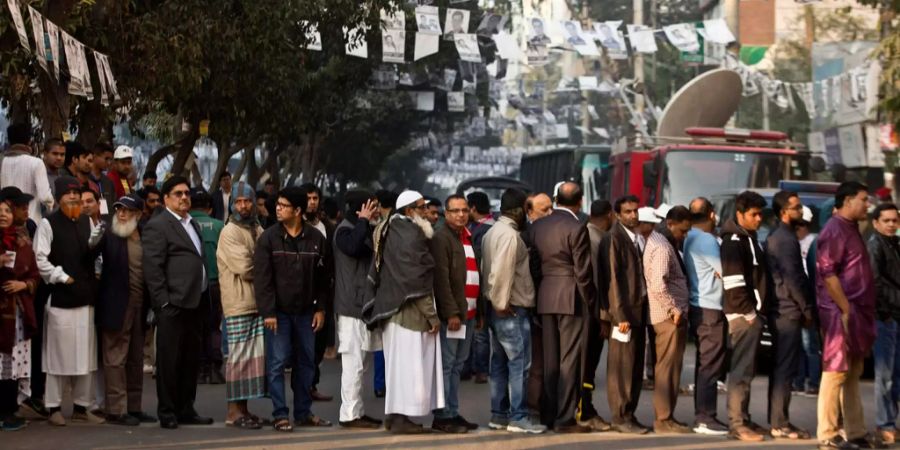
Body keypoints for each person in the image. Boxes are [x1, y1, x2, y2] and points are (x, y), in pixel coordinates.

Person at [362, 190, 442, 434]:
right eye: (421, 207)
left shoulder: (392, 229)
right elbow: (415, 279)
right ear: (409, 211)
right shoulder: (408, 234)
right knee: (407, 369)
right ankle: (399, 419)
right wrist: (432, 315)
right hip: (407, 313)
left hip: (395, 311)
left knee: (400, 369)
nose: (426, 213)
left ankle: (397, 416)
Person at [254, 186, 331, 432]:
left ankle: (303, 412)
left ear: (297, 210)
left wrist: (321, 309)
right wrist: (268, 312)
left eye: (283, 205)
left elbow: (324, 279)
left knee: (307, 362)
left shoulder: (316, 239)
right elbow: (262, 280)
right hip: (279, 314)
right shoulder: (268, 238)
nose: (277, 208)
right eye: (277, 204)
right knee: (277, 364)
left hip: (307, 311)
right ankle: (280, 414)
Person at [142, 175, 214, 429]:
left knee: (190, 359)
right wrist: (163, 303)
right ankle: (168, 411)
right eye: (178, 194)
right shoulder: (158, 225)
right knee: (169, 361)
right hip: (172, 304)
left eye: (186, 193)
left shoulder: (191, 222)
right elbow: (152, 268)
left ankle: (186, 408)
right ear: (165, 199)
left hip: (196, 301)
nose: (184, 198)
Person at [34, 176, 105, 426]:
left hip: (85, 299)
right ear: (59, 196)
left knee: (85, 356)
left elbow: (90, 253)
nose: (74, 197)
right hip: (61, 300)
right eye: (69, 193)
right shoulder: (47, 224)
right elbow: (40, 259)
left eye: (77, 193)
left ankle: (80, 406)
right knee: (57, 357)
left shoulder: (87, 221)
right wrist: (61, 277)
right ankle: (53, 406)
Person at [527, 182, 595, 433]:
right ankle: (565, 418)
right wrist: (590, 302)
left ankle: (547, 413)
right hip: (571, 296)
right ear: (580, 202)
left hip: (545, 294)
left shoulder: (537, 226)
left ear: (556, 200)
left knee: (550, 360)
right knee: (570, 361)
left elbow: (533, 266)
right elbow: (584, 272)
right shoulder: (577, 227)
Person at [816, 181, 877, 450]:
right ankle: (827, 434)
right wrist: (845, 309)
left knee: (853, 372)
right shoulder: (834, 229)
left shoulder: (851, 228)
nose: (867, 205)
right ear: (849, 200)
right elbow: (828, 275)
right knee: (835, 373)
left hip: (855, 312)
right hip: (839, 312)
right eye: (864, 199)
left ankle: (855, 432)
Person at [481, 188, 546, 434]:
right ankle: (518, 416)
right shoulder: (510, 236)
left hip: (498, 308)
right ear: (519, 210)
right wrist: (501, 302)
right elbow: (501, 272)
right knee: (519, 365)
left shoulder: (492, 232)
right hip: (511, 309)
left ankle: (499, 415)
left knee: (498, 363)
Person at [96, 194, 156, 426]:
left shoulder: (145, 235)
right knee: (115, 358)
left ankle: (134, 407)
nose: (121, 213)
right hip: (116, 305)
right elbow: (90, 254)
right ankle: (116, 409)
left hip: (140, 305)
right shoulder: (109, 234)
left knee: (135, 358)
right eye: (118, 209)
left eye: (127, 210)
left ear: (138, 214)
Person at [721, 190, 770, 442]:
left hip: (750, 314)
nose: (759, 219)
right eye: (754, 214)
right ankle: (737, 424)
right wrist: (750, 314)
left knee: (747, 371)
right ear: (740, 214)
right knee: (740, 372)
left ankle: (744, 419)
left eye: (761, 214)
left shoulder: (749, 237)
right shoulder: (734, 241)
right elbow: (733, 283)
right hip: (742, 316)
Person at [216, 183, 266, 430]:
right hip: (238, 304)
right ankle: (233, 413)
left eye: (248, 201)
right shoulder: (230, 232)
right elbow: (247, 268)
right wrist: (268, 267)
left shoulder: (256, 227)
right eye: (239, 202)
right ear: (231, 204)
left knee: (250, 361)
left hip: (255, 304)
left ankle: (243, 410)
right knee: (237, 360)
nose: (244, 206)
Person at [765, 190, 813, 440]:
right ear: (784, 212)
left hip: (783, 309)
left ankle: (778, 420)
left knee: (782, 369)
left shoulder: (782, 235)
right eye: (796, 207)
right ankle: (780, 423)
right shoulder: (783, 239)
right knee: (785, 370)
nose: (800, 210)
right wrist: (806, 309)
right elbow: (793, 279)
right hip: (787, 311)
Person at [430, 194, 479, 434]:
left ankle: (452, 411)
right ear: (446, 214)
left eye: (464, 210)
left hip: (468, 314)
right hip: (454, 316)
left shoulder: (466, 236)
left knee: (458, 365)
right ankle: (443, 416)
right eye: (455, 211)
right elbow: (441, 280)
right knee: (447, 365)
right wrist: (450, 312)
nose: (461, 214)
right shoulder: (442, 238)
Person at [333, 191, 382, 430]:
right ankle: (349, 414)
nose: (375, 211)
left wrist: (367, 223)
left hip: (362, 306)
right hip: (350, 307)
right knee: (353, 362)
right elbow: (352, 247)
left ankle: (357, 411)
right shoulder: (344, 230)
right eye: (371, 206)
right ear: (359, 208)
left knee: (362, 363)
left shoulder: (363, 229)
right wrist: (364, 221)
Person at [600, 194, 649, 434]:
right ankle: (620, 417)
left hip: (639, 312)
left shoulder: (636, 238)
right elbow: (613, 282)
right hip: (623, 316)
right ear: (617, 215)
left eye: (635, 210)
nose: (633, 215)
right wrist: (620, 316)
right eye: (627, 211)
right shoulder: (613, 239)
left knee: (635, 366)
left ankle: (630, 413)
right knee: (621, 367)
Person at [643, 206, 692, 434]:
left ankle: (666, 417)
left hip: (668, 316)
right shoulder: (663, 247)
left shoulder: (660, 240)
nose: (684, 235)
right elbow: (658, 285)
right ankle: (664, 419)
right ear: (671, 223)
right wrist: (674, 309)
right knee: (667, 370)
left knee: (668, 369)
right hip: (668, 318)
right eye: (683, 230)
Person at [684, 197, 729, 436]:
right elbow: (725, 273)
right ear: (712, 215)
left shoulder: (689, 236)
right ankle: (705, 417)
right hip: (710, 307)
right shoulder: (707, 240)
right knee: (710, 365)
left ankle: (704, 415)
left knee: (705, 363)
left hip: (698, 305)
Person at [0, 190, 40, 431]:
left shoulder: (22, 239)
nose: (3, 215)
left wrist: (23, 284)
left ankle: (9, 410)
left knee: (13, 363)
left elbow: (34, 274)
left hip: (17, 313)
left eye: (6, 211)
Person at [298, 183, 335, 403]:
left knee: (320, 343)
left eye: (315, 198)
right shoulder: (294, 226)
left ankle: (312, 384)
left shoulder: (327, 227)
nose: (312, 202)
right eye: (308, 198)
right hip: (301, 293)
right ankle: (303, 388)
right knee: (303, 345)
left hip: (324, 292)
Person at [579, 199, 613, 431]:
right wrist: (602, 316)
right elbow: (595, 283)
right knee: (588, 365)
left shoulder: (594, 236)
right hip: (591, 314)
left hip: (589, 312)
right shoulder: (594, 239)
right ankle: (585, 410)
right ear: (610, 215)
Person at [869, 203, 900, 444]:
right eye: (886, 220)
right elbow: (875, 284)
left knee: (895, 376)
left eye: (894, 220)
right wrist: (885, 313)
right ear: (876, 223)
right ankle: (884, 424)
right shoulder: (875, 246)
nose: (891, 224)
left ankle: (891, 422)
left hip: (895, 316)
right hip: (885, 319)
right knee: (885, 376)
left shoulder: (894, 244)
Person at [188, 189, 225, 385]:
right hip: (215, 283)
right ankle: (214, 368)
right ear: (210, 208)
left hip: (191, 285)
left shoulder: (185, 224)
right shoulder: (219, 226)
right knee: (214, 326)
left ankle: (199, 369)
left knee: (195, 327)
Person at [463, 191, 492, 384]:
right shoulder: (478, 227)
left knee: (480, 331)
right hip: (474, 284)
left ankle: (480, 369)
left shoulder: (484, 230)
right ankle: (472, 367)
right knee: (473, 330)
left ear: (473, 208)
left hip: (480, 285)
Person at [0, 123, 54, 223]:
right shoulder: (36, 163)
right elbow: (45, 197)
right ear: (29, 141)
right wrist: (51, 206)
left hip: (6, 221)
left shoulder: (3, 161)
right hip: (30, 220)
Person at [88, 143, 116, 216]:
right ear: (95, 156)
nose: (109, 163)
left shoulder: (109, 182)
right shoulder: (85, 179)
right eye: (106, 159)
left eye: (110, 159)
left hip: (107, 223)